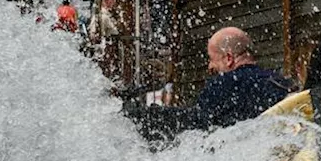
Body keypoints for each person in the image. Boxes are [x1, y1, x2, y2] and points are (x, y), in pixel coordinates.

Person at [124, 27, 290, 140]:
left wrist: (143, 116)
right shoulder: (280, 82)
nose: (210, 66)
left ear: (229, 58)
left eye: (212, 59)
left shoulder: (224, 84)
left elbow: (195, 124)